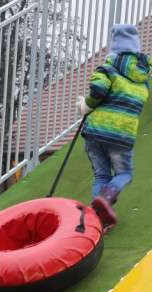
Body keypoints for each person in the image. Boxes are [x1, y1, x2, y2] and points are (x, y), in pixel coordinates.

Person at [76, 23, 150, 232]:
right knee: (124, 174)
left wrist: (85, 106)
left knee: (101, 175)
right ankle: (106, 200)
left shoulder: (107, 69)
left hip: (96, 132)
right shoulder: (143, 82)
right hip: (122, 136)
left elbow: (98, 90)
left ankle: (97, 219)